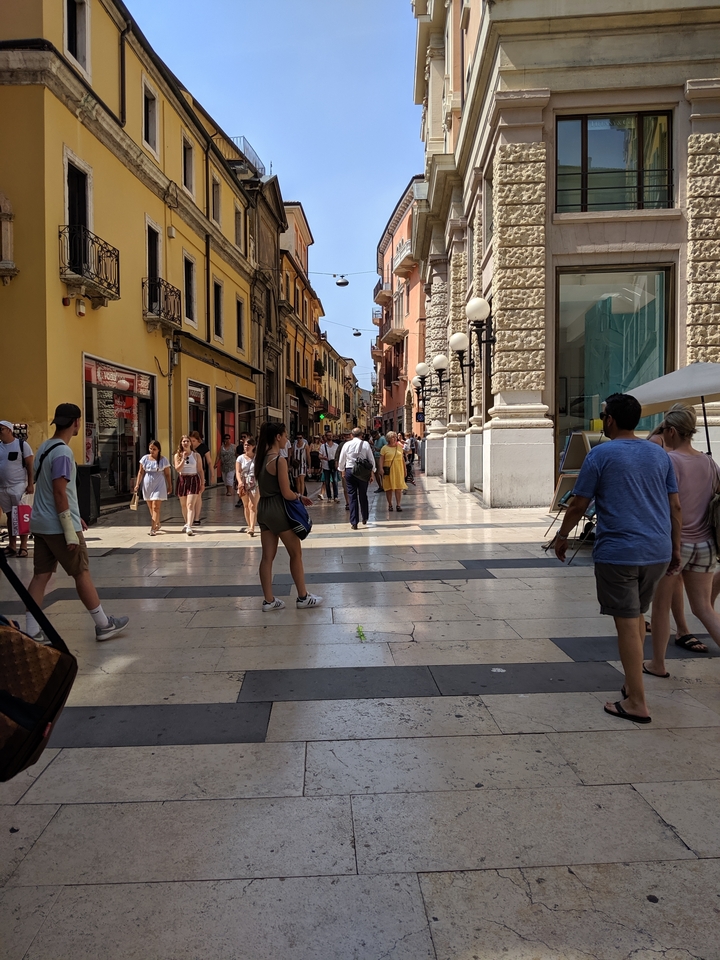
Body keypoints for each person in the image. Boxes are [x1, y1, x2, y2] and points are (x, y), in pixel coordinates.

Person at [554, 393, 681, 724]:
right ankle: (631, 682)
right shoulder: (659, 455)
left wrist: (562, 535)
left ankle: (637, 701)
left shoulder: (600, 455)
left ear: (609, 419)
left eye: (603, 414)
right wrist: (676, 548)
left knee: (626, 623)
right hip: (657, 550)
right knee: (637, 615)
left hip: (620, 552)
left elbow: (579, 504)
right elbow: (675, 507)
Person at [26, 403, 129, 643]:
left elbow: (54, 493)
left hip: (41, 523)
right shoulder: (63, 452)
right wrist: (69, 528)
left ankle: (31, 630)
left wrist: (75, 514)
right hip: (58, 527)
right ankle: (104, 625)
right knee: (81, 573)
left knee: (40, 576)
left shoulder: (44, 447)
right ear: (76, 423)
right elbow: (59, 492)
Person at [645, 405, 720, 674]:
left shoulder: (670, 461)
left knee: (661, 608)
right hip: (705, 545)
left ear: (673, 431)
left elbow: (670, 506)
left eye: (664, 429)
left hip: (676, 543)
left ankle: (658, 663)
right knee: (704, 608)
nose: (662, 434)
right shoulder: (709, 462)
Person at [255, 421, 322, 611]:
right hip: (279, 510)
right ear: (278, 437)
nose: (287, 439)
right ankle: (302, 597)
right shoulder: (279, 460)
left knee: (267, 557)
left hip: (264, 509)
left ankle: (269, 600)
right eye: (285, 436)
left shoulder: (260, 459)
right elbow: (286, 492)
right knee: (295, 553)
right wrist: (300, 496)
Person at [0, 420, 34, 558]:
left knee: (21, 516)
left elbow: (30, 464)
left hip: (18, 486)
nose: (0, 431)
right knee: (10, 516)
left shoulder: (21, 445)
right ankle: (12, 545)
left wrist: (30, 483)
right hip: (3, 487)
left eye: (1, 429)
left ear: (9, 430)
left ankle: (24, 546)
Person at [339, 427, 375, 530]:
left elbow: (342, 459)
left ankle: (354, 522)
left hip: (350, 470)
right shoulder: (365, 444)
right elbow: (371, 459)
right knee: (363, 494)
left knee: (352, 496)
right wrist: (372, 472)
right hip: (363, 471)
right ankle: (365, 517)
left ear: (351, 435)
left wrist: (342, 470)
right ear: (361, 435)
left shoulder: (346, 444)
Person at [133, 440, 171, 536]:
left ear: (158, 450)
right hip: (147, 484)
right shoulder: (145, 459)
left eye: (154, 449)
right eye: (150, 448)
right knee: (150, 506)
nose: (152, 451)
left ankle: (153, 528)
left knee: (155, 506)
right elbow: (141, 472)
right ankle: (157, 522)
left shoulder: (163, 460)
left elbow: (167, 474)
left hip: (159, 484)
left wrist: (170, 485)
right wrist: (137, 484)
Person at [174, 436, 205, 536]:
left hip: (193, 479)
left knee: (190, 505)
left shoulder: (196, 455)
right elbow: (178, 469)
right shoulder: (177, 455)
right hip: (182, 480)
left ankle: (189, 526)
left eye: (188, 441)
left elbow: (200, 470)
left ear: (191, 443)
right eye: (184, 441)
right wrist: (183, 458)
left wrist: (202, 482)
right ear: (181, 443)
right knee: (183, 505)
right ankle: (187, 522)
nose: (186, 443)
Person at [236, 436, 259, 536]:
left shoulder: (257, 458)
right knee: (246, 505)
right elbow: (238, 471)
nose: (246, 447)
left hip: (255, 482)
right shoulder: (240, 458)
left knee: (253, 505)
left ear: (253, 446)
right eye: (245, 445)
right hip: (244, 482)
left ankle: (252, 527)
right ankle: (249, 525)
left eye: (248, 445)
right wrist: (240, 482)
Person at [190, 431, 213, 524]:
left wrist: (212, 474)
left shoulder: (203, 447)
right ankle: (190, 516)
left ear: (198, 440)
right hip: (188, 473)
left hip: (199, 473)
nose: (191, 443)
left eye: (193, 440)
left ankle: (197, 517)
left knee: (198, 495)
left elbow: (209, 461)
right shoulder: (187, 447)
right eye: (190, 440)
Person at [381, 431, 407, 511]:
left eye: (395, 437)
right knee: (389, 488)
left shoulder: (399, 447)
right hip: (388, 470)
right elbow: (381, 460)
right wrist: (381, 469)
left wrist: (405, 469)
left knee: (398, 488)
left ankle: (398, 505)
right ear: (388, 439)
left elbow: (402, 459)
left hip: (398, 469)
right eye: (393, 437)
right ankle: (390, 504)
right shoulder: (384, 448)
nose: (395, 438)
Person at [320, 434, 339, 502]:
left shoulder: (336, 446)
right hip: (326, 466)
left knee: (335, 481)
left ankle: (336, 496)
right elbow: (319, 455)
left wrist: (337, 464)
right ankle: (329, 497)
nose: (330, 436)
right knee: (327, 482)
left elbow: (338, 456)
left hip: (334, 465)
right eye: (328, 435)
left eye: (331, 435)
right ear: (325, 436)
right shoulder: (323, 446)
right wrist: (323, 458)